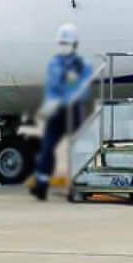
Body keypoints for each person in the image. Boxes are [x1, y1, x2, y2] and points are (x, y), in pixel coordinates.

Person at [30, 22, 92, 200]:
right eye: (61, 44)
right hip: (57, 111)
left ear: (75, 45)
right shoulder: (54, 63)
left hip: (74, 110)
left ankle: (78, 185)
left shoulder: (82, 65)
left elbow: (83, 89)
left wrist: (70, 89)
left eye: (67, 44)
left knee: (79, 149)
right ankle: (41, 184)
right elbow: (53, 86)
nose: (63, 47)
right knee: (47, 148)